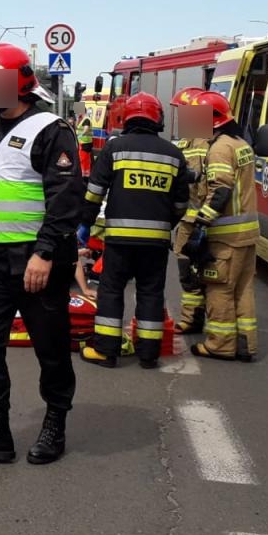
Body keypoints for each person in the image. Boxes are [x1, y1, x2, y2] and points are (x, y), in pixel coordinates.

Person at [0, 43, 85, 466]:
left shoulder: (51, 128)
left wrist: (44, 254)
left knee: (51, 347)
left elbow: (65, 198)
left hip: (38, 259)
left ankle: (55, 421)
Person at [77, 92, 189, 369]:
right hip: (156, 243)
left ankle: (106, 351)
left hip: (119, 240)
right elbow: (181, 203)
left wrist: (85, 224)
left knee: (111, 291)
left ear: (127, 118)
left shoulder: (115, 149)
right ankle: (149, 354)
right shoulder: (174, 155)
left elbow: (93, 193)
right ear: (157, 118)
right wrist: (166, 226)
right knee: (151, 292)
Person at [186, 91, 258, 362]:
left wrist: (201, 223)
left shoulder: (218, 149)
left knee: (219, 289)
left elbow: (220, 191)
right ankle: (245, 344)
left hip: (226, 235)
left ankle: (220, 345)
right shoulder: (241, 144)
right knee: (243, 289)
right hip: (247, 233)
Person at [171, 87, 210, 334]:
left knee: (190, 271)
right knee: (192, 271)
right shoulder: (193, 140)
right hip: (193, 218)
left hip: (195, 219)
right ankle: (193, 318)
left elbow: (198, 185)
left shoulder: (200, 143)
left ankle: (192, 319)